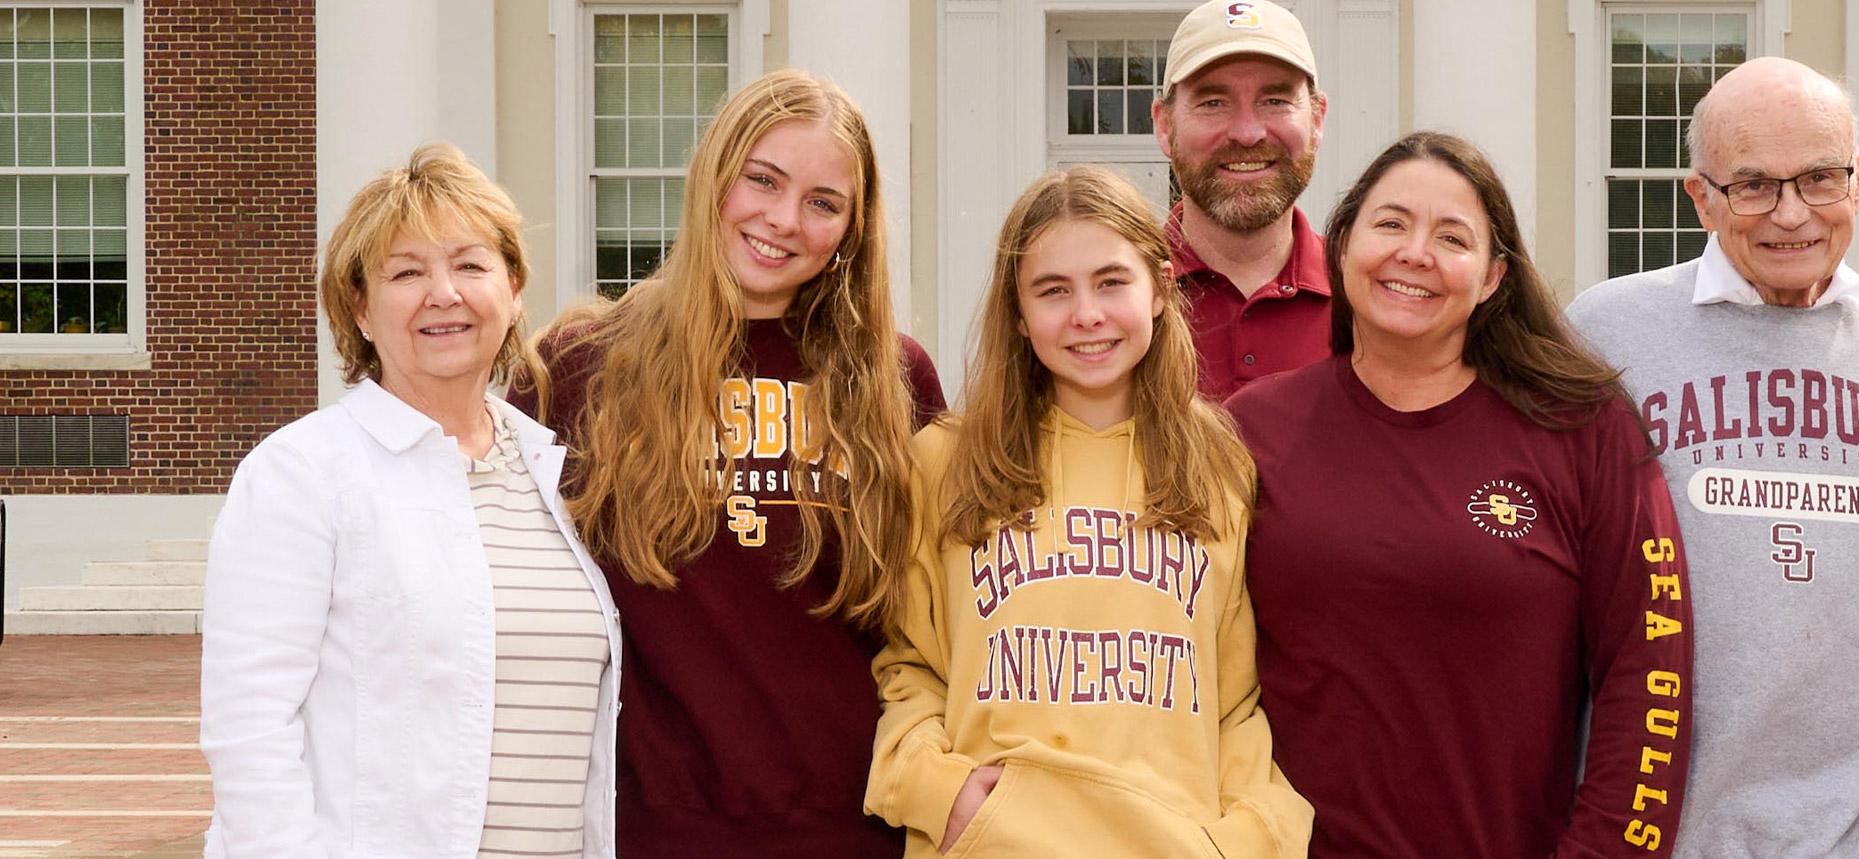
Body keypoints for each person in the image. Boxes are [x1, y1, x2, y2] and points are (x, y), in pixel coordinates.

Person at [513, 69, 945, 857]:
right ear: (716, 171)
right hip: (651, 828)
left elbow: (927, 622)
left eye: (823, 202)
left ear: (853, 227)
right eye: (763, 179)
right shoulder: (575, 369)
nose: (783, 220)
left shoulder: (896, 380)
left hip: (852, 827)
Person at [1227, 131, 1692, 857]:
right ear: (1340, 243)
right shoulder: (1251, 430)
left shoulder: (1584, 428)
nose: (1415, 252)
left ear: (1492, 277)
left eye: (1452, 237)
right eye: (1390, 224)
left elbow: (1650, 667)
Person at [1565, 56, 1859, 858]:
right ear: (1701, 197)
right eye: (1754, 185)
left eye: (1820, 178)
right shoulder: (1606, 330)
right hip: (1660, 825)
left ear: (1858, 179)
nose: (1792, 215)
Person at [866, 166, 1313, 857]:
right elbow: (910, 665)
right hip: (997, 842)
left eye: (1111, 281)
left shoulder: (1219, 468)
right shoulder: (945, 462)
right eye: (1052, 291)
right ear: (1017, 313)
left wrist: (1248, 838)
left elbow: (1235, 701)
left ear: (1161, 289)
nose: (1087, 315)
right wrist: (938, 791)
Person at [201, 144, 622, 857]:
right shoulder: (302, 474)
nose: (443, 292)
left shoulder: (560, 472)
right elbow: (250, 734)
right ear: (360, 308)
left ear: (514, 289)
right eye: (406, 272)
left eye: (469, 264)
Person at [1153, 0, 1331, 398]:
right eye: (1213, 102)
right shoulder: (1109, 302)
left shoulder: (1370, 300)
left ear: (1317, 120)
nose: (1247, 133)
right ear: (1164, 125)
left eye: (1276, 101)